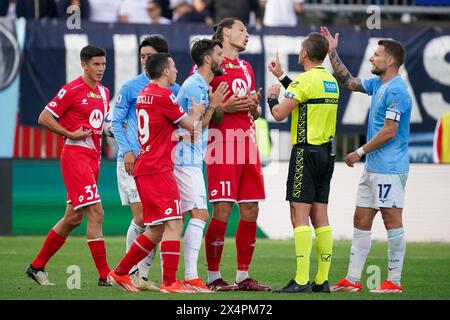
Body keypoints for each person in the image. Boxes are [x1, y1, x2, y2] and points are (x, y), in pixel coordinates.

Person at [321, 26, 412, 294]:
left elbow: (389, 130)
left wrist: (359, 152)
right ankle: (352, 279)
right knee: (361, 218)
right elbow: (348, 81)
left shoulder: (398, 91)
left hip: (390, 167)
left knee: (391, 220)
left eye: (376, 55)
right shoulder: (378, 84)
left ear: (390, 61)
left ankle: (394, 281)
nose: (371, 58)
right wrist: (332, 53)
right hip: (373, 168)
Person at [108, 53, 205, 293]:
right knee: (174, 223)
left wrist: (179, 134)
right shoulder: (164, 95)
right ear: (164, 71)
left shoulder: (144, 94)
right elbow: (192, 126)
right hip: (157, 168)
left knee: (157, 228)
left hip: (147, 166)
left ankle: (120, 272)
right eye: (173, 67)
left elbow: (160, 129)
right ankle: (170, 283)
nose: (176, 71)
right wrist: (199, 111)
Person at [26, 45, 111, 286]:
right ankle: (105, 276)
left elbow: (100, 124)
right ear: (84, 65)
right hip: (75, 156)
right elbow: (44, 117)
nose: (101, 69)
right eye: (96, 64)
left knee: (73, 218)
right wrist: (68, 133)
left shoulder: (104, 92)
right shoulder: (71, 90)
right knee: (97, 212)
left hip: (94, 159)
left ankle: (36, 267)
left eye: (103, 64)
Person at [266, 32, 339, 293]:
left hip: (305, 153)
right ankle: (321, 280)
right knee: (321, 216)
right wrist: (283, 77)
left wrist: (273, 95)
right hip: (327, 155)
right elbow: (306, 95)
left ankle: (300, 280)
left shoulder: (303, 81)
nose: (299, 52)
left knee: (299, 213)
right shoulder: (330, 81)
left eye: (300, 49)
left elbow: (278, 115)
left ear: (306, 54)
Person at [203, 17, 270, 292]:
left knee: (251, 209)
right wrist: (224, 108)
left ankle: (243, 277)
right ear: (226, 32)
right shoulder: (212, 66)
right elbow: (205, 112)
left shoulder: (246, 67)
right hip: (222, 145)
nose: (247, 34)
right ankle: (213, 277)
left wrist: (254, 106)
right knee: (222, 208)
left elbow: (253, 112)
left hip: (248, 145)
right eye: (242, 29)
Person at [112, 35, 180, 291]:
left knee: (157, 223)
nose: (144, 61)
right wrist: (127, 150)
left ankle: (139, 273)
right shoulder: (131, 86)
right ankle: (129, 272)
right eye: (141, 56)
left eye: (149, 56)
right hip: (134, 160)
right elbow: (116, 121)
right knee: (143, 219)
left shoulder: (173, 87)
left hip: (160, 161)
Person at [174, 38, 228, 292]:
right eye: (219, 53)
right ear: (208, 59)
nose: (222, 57)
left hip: (188, 158)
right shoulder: (195, 86)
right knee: (200, 214)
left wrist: (213, 104)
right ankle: (191, 277)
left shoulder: (199, 84)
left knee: (177, 219)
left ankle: (136, 272)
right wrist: (214, 105)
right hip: (185, 158)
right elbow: (195, 128)